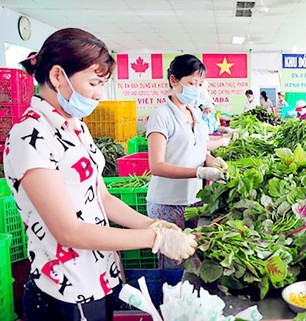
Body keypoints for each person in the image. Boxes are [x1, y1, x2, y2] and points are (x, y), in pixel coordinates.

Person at [3, 28, 197, 320]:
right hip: (65, 292)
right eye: (94, 82)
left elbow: (102, 198)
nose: (99, 94)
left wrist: (155, 224)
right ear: (58, 77)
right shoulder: (30, 135)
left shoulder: (75, 126)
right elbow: (68, 231)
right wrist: (152, 239)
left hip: (100, 278)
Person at [146, 54, 228, 269]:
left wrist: (212, 161)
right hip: (167, 203)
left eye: (200, 84)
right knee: (173, 262)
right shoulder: (161, 116)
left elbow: (199, 150)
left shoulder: (196, 114)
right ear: (174, 80)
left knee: (191, 260)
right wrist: (199, 173)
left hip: (193, 200)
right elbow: (156, 165)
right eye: (192, 83)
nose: (197, 89)